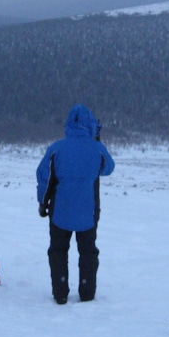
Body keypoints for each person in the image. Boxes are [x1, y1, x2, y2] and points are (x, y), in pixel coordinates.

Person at [36, 104, 114, 304]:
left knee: (58, 251)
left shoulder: (56, 149)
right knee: (88, 252)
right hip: (88, 212)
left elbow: (44, 177)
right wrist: (96, 141)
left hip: (60, 210)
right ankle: (87, 293)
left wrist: (42, 203)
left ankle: (60, 293)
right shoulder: (97, 149)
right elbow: (108, 168)